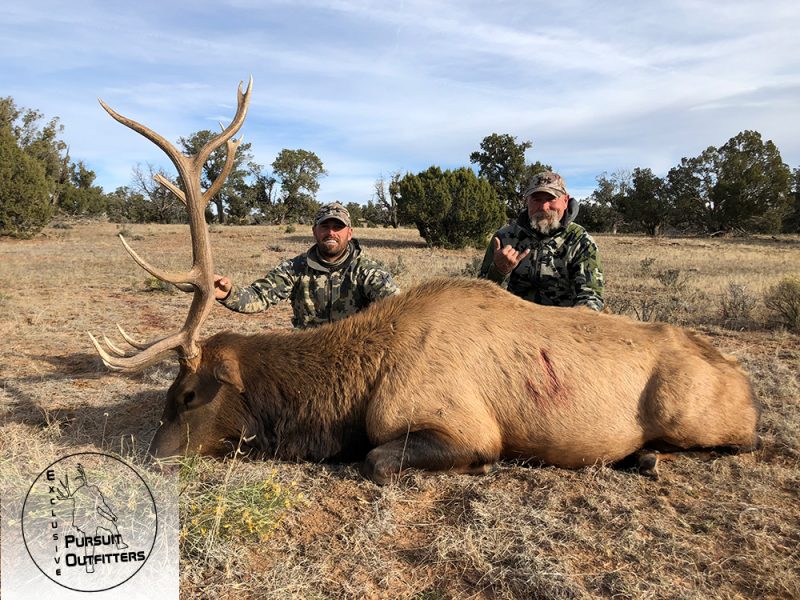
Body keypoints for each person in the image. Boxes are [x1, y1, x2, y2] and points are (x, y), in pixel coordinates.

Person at [215, 202, 400, 328]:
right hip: (308, 355)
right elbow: (259, 296)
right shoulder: (295, 268)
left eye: (338, 227)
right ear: (314, 231)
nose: (331, 233)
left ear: (349, 233)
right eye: (325, 226)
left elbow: (397, 307)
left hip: (355, 352)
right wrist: (230, 294)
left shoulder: (367, 271)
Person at [478, 171, 604, 311]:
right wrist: (499, 271)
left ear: (565, 200)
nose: (544, 207)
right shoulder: (503, 238)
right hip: (512, 322)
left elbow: (591, 298)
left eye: (551, 199)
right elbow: (481, 293)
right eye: (536, 199)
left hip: (561, 324)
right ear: (527, 201)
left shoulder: (580, 241)